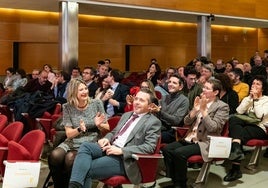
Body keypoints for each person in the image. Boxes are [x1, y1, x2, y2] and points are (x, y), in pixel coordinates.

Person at [68, 88, 161, 188]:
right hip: (110, 147)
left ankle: (73, 186)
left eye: (141, 100)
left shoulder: (153, 122)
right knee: (85, 146)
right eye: (136, 99)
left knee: (84, 169)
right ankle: (74, 185)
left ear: (150, 105)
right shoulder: (126, 115)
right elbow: (113, 132)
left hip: (124, 159)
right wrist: (107, 138)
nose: (137, 102)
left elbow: (149, 147)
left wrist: (122, 150)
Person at [162, 78, 229, 188]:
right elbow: (186, 122)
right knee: (167, 149)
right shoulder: (201, 101)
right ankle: (175, 181)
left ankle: (181, 184)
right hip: (190, 137)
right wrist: (194, 110)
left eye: (207, 88)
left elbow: (214, 128)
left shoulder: (222, 106)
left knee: (179, 153)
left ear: (215, 92)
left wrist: (203, 111)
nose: (203, 89)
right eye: (204, 87)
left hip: (205, 141)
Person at [48, 78, 108, 188]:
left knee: (70, 158)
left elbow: (107, 127)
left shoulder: (96, 103)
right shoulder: (67, 107)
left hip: (91, 140)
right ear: (73, 92)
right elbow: (69, 134)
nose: (85, 91)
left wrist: (99, 125)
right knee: (54, 156)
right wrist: (79, 129)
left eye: (86, 88)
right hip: (73, 139)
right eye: (81, 90)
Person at [224, 75, 268, 182]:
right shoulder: (248, 98)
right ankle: (237, 152)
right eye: (253, 83)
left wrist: (256, 99)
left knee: (238, 133)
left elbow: (259, 115)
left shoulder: (266, 100)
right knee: (234, 119)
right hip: (247, 124)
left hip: (260, 128)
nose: (254, 86)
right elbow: (239, 111)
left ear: (262, 88)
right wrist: (249, 99)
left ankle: (235, 168)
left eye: (258, 84)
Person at [151, 75, 189, 143]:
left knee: (152, 137)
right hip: (159, 127)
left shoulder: (184, 100)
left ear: (180, 87)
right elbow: (158, 115)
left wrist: (160, 112)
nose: (170, 84)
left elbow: (176, 121)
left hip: (172, 131)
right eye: (169, 82)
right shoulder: (164, 97)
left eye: (174, 83)